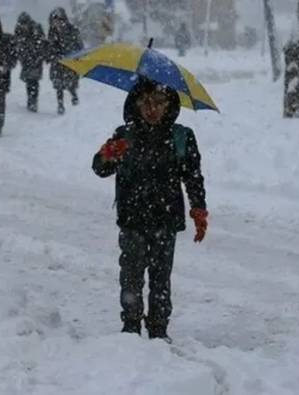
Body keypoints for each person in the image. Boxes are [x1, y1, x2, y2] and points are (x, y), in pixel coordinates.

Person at [92, 79, 208, 342]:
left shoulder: (181, 137)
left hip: (165, 221)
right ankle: (131, 329)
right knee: (131, 277)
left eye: (158, 102)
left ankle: (158, 330)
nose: (151, 108)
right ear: (135, 104)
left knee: (160, 279)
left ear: (170, 105)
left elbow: (193, 176)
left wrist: (198, 209)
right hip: (132, 219)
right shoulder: (126, 135)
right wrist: (109, 154)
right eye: (144, 102)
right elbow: (100, 168)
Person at [47, 7, 83, 115]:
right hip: (57, 63)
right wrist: (53, 55)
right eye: (55, 20)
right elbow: (50, 47)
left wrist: (73, 56)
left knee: (70, 83)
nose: (57, 23)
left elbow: (79, 45)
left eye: (59, 20)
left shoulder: (72, 30)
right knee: (58, 85)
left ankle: (74, 96)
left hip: (70, 62)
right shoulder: (52, 32)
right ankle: (60, 105)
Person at [14, 12, 47, 113]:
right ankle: (31, 99)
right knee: (29, 80)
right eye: (22, 24)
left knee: (33, 80)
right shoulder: (18, 29)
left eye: (25, 24)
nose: (24, 26)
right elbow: (17, 42)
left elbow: (42, 43)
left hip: (36, 58)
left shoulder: (37, 28)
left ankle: (33, 101)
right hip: (25, 59)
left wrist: (38, 55)